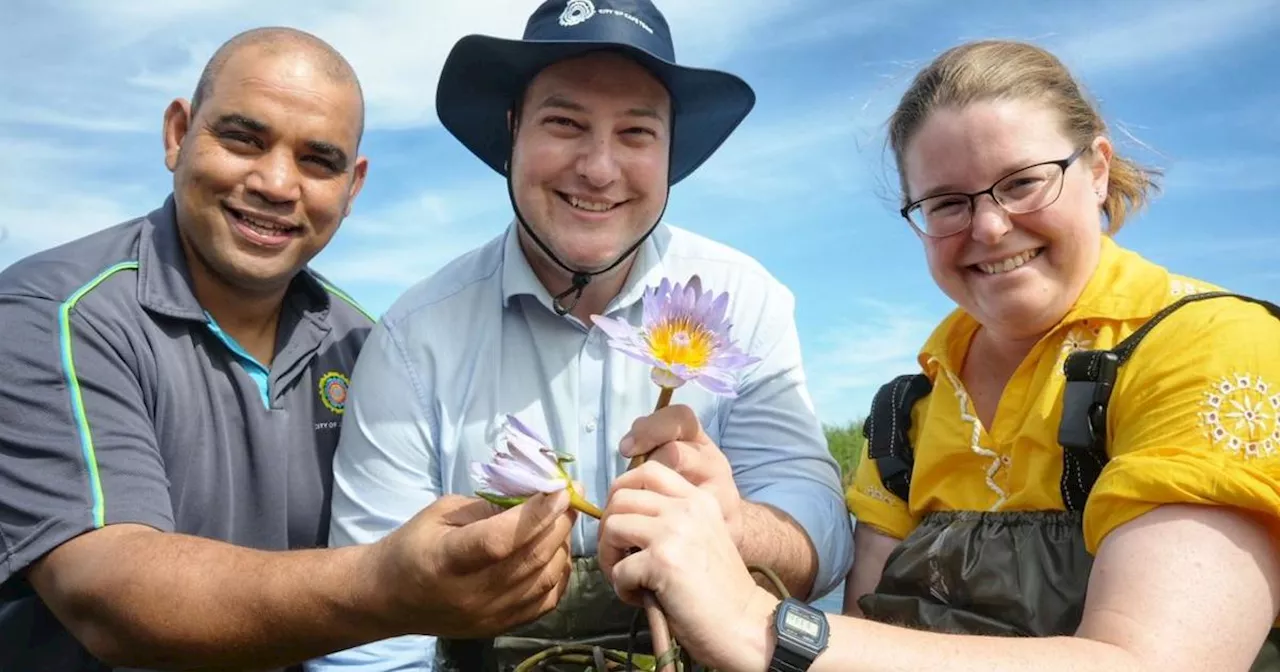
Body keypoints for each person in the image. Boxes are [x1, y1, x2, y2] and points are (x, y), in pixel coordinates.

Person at [596, 39, 1280, 672]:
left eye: (1022, 183)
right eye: (948, 203)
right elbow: (870, 628)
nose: (988, 226)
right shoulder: (907, 411)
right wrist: (734, 532)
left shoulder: (1212, 348)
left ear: (1097, 170)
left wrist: (758, 622)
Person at [0, 27, 576, 672]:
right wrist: (390, 588)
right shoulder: (55, 315)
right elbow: (106, 593)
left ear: (353, 188)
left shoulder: (367, 344)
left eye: (318, 161)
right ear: (177, 135)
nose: (277, 183)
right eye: (244, 138)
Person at [314, 1, 854, 669]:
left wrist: (732, 527)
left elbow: (823, 540)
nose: (598, 169)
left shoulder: (745, 300)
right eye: (565, 123)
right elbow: (374, 648)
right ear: (512, 130)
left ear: (668, 152)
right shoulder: (412, 338)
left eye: (636, 133)